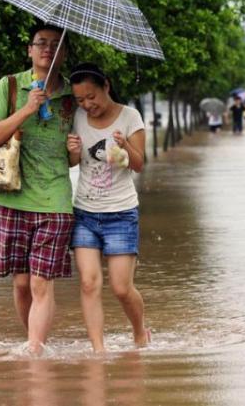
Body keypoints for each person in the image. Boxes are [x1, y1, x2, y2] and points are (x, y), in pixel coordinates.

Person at [0, 24, 77, 355]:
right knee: (21, 284)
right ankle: (38, 342)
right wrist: (26, 109)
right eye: (41, 43)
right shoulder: (9, 86)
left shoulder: (72, 96)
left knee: (40, 282)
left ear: (64, 53)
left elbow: (73, 158)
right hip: (14, 197)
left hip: (56, 200)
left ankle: (35, 354)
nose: (48, 49)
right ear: (29, 50)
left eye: (56, 45)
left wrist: (76, 151)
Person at [66, 62, 149, 353]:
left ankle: (140, 331)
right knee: (89, 283)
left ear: (106, 86)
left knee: (121, 288)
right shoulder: (76, 117)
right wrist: (73, 154)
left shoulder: (130, 116)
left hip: (121, 214)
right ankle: (98, 350)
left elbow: (139, 165)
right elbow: (73, 163)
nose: (87, 104)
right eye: (80, 99)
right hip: (85, 213)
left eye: (92, 96)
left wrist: (125, 145)